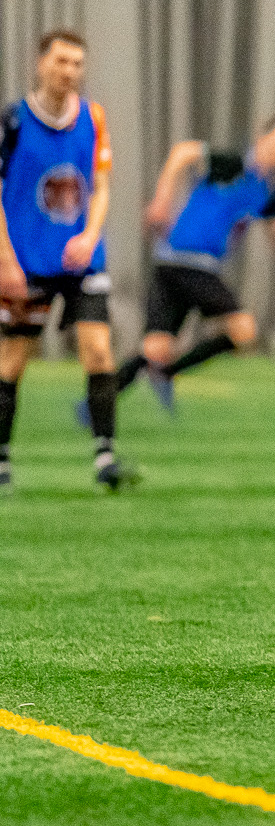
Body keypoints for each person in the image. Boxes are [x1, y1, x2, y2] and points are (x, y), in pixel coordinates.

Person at [102, 120, 275, 413]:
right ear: (262, 137)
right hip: (183, 261)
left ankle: (97, 406)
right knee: (243, 330)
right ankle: (165, 373)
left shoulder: (267, 190)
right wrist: (162, 200)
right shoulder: (233, 164)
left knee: (156, 347)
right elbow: (182, 153)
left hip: (190, 267)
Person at [0, 30, 135, 492]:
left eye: (77, 63)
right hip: (28, 261)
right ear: (41, 63)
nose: (69, 71)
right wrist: (5, 261)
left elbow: (100, 185)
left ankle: (105, 457)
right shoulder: (14, 120)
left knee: (98, 349)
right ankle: (1, 459)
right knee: (14, 358)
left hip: (81, 260)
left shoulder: (93, 118)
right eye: (61, 61)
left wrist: (91, 235)